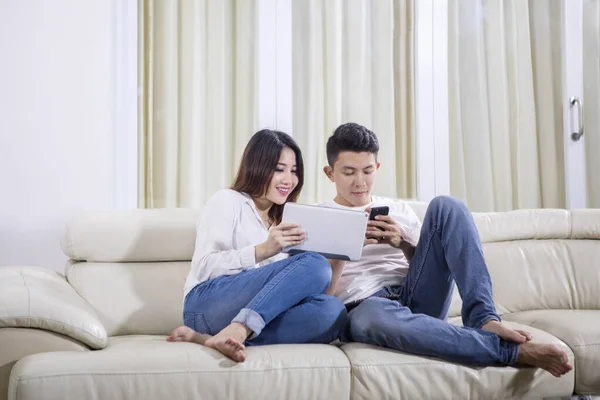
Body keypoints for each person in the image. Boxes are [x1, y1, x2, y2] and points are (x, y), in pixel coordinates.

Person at [320, 122, 572, 377]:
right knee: (373, 315)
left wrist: (404, 243)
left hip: (415, 296)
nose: (360, 182)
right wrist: (345, 246)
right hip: (365, 308)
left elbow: (432, 264)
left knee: (447, 206)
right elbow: (321, 297)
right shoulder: (318, 218)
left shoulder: (398, 210)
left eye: (367, 171)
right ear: (330, 173)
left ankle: (484, 319)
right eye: (349, 172)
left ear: (378, 168)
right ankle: (510, 352)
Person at [167, 129, 347, 362]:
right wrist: (262, 250)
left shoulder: (286, 220)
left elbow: (308, 292)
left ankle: (216, 337)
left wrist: (341, 252)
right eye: (279, 169)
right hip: (204, 305)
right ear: (257, 166)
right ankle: (240, 328)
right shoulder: (227, 200)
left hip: (248, 314)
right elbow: (204, 267)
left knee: (333, 312)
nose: (289, 180)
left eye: (294, 171)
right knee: (316, 263)